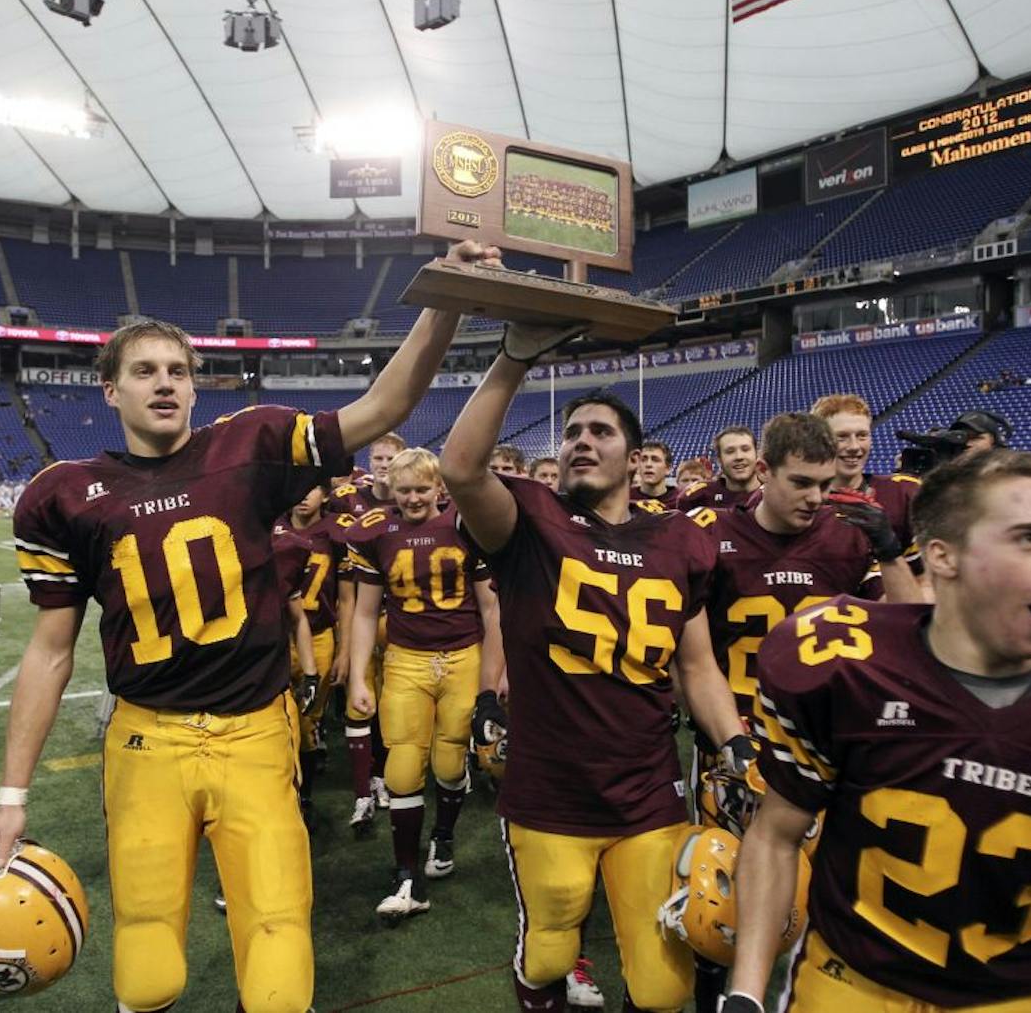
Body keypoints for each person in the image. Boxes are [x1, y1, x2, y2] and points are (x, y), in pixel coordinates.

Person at [0, 242, 474, 1013]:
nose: (165, 383)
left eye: (178, 370)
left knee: (279, 969)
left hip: (253, 732)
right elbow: (49, 653)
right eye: (144, 371)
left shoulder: (250, 445)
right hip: (146, 740)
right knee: (148, 973)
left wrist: (446, 301)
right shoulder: (66, 495)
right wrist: (12, 793)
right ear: (109, 390)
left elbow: (382, 410)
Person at [725, 449, 1031, 1012]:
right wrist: (746, 994)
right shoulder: (846, 663)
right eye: (1028, 538)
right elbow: (777, 835)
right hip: (846, 985)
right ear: (942, 557)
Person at [440, 319, 750, 1012]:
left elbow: (697, 668)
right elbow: (460, 466)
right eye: (573, 431)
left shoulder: (680, 542)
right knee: (550, 950)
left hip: (646, 785)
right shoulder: (528, 520)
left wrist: (735, 745)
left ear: (637, 457)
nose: (581, 441)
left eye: (600, 432)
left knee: (663, 984)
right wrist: (516, 356)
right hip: (551, 788)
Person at [686, 412, 919, 1012]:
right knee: (722, 903)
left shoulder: (848, 538)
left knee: (831, 896)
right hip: (734, 735)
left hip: (824, 743)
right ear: (763, 472)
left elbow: (917, 629)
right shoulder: (709, 533)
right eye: (801, 483)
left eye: (824, 483)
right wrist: (722, 735)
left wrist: (891, 553)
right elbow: (686, 652)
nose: (816, 498)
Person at [347, 448, 501, 921]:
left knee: (451, 761)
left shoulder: (465, 525)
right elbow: (366, 612)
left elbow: (492, 609)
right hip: (406, 659)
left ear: (439, 488)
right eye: (404, 490)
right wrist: (358, 675)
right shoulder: (376, 532)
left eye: (421, 489)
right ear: (391, 490)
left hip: (461, 655)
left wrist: (492, 681)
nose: (413, 499)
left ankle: (445, 834)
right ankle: (407, 876)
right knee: (401, 767)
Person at [273, 484, 352, 827]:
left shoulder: (338, 530)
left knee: (305, 725)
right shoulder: (269, 524)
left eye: (312, 489)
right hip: (273, 638)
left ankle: (303, 797)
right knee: (275, 725)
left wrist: (345, 650)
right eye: (298, 488)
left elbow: (348, 598)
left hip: (317, 635)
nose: (303, 496)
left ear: (325, 493)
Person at [810, 393, 923, 571]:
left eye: (862, 435)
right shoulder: (800, 501)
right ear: (818, 441)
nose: (854, 447)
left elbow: (924, 581)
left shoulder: (903, 493)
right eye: (842, 437)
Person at [679, 426, 760, 511]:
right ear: (719, 459)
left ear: (756, 454)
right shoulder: (696, 497)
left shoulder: (772, 493)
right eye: (730, 451)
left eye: (745, 449)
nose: (739, 457)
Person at [329, 432, 402, 516]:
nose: (384, 465)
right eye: (378, 458)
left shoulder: (410, 502)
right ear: (370, 461)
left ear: (402, 462)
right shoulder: (345, 499)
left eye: (391, 459)